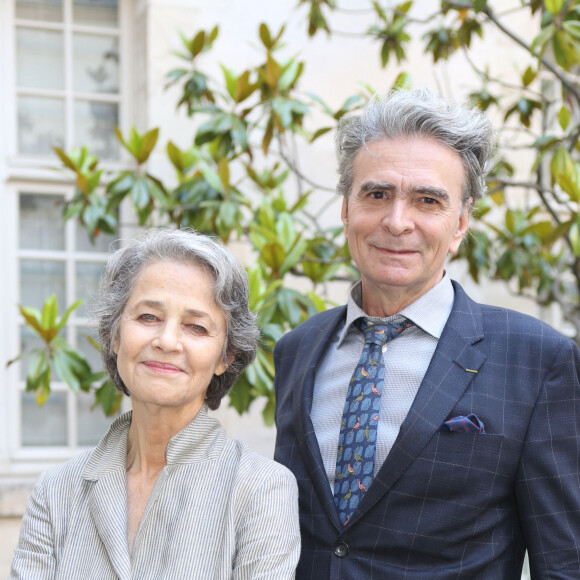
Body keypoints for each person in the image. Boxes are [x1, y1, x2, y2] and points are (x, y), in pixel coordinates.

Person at [273, 88, 580, 578]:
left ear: (460, 223)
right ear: (346, 209)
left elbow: (566, 562)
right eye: (377, 194)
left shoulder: (538, 359)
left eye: (427, 200)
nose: (397, 222)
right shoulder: (296, 350)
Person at [11, 228, 300, 579]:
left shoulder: (262, 489)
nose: (167, 341)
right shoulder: (56, 491)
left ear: (226, 356)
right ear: (115, 334)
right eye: (148, 317)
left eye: (196, 327)